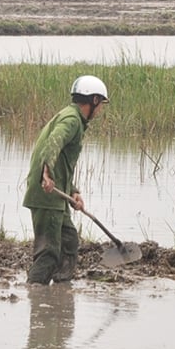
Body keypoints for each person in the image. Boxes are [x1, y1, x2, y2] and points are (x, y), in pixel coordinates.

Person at [22, 74, 109, 285]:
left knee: (69, 242)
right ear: (94, 100)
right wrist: (47, 173)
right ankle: (35, 293)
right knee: (49, 253)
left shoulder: (73, 119)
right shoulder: (71, 120)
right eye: (101, 104)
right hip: (47, 195)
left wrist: (73, 191)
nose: (101, 110)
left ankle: (61, 293)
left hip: (57, 195)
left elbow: (63, 162)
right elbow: (54, 142)